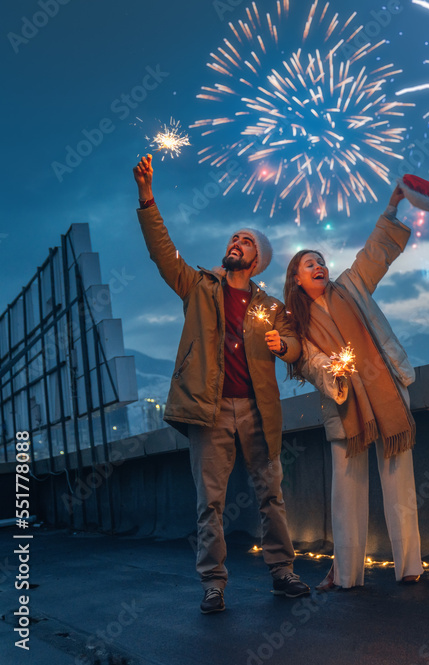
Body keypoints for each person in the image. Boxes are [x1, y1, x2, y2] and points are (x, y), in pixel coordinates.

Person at [132, 154, 310, 614]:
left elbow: (294, 343)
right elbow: (161, 251)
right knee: (209, 502)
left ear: (256, 259)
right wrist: (148, 198)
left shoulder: (268, 305)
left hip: (256, 409)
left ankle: (282, 573)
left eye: (246, 241)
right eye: (234, 237)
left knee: (271, 494)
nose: (236, 242)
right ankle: (213, 582)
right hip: (208, 410)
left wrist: (282, 345)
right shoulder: (199, 287)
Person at [283, 186, 422, 590]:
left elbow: (375, 252)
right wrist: (336, 370)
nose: (319, 265)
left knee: (401, 483)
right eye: (310, 263)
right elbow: (308, 362)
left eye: (322, 261)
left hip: (385, 394)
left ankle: (410, 566)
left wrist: (392, 207)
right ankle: (347, 574)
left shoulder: (352, 285)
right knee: (346, 494)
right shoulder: (298, 322)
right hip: (345, 407)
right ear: (297, 276)